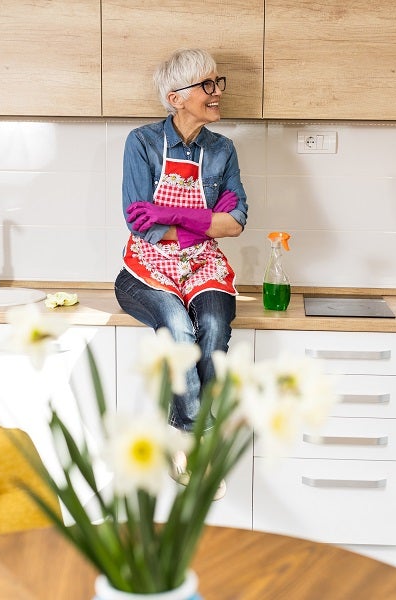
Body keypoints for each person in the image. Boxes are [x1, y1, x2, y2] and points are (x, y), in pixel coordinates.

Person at [114, 48, 248, 496]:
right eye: (206, 86)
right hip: (147, 269)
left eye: (217, 82)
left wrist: (173, 216)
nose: (217, 93)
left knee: (212, 323)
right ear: (176, 97)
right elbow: (139, 225)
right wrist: (204, 222)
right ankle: (196, 442)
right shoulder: (142, 142)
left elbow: (237, 222)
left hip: (202, 265)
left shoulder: (222, 150)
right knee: (177, 326)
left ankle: (185, 438)